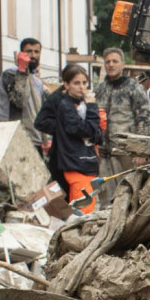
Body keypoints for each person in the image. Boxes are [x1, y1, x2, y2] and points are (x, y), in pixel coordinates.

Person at [35, 63, 105, 212]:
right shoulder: (62, 102)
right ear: (66, 84)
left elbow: (96, 133)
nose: (82, 87)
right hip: (69, 159)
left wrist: (92, 128)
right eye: (76, 83)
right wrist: (63, 130)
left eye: (84, 83)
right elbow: (41, 122)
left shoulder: (83, 102)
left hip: (85, 160)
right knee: (76, 205)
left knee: (82, 205)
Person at [93, 47, 150, 170]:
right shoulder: (99, 89)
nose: (111, 65)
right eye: (108, 62)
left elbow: (143, 119)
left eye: (115, 61)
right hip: (103, 152)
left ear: (123, 64)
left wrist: (141, 150)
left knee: (127, 182)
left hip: (126, 151)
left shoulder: (134, 88)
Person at [0, 37, 47, 123]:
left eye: (36, 52)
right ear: (21, 54)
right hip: (12, 129)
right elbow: (20, 101)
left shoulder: (37, 81)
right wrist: (22, 70)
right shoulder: (10, 74)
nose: (33, 55)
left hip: (33, 130)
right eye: (29, 51)